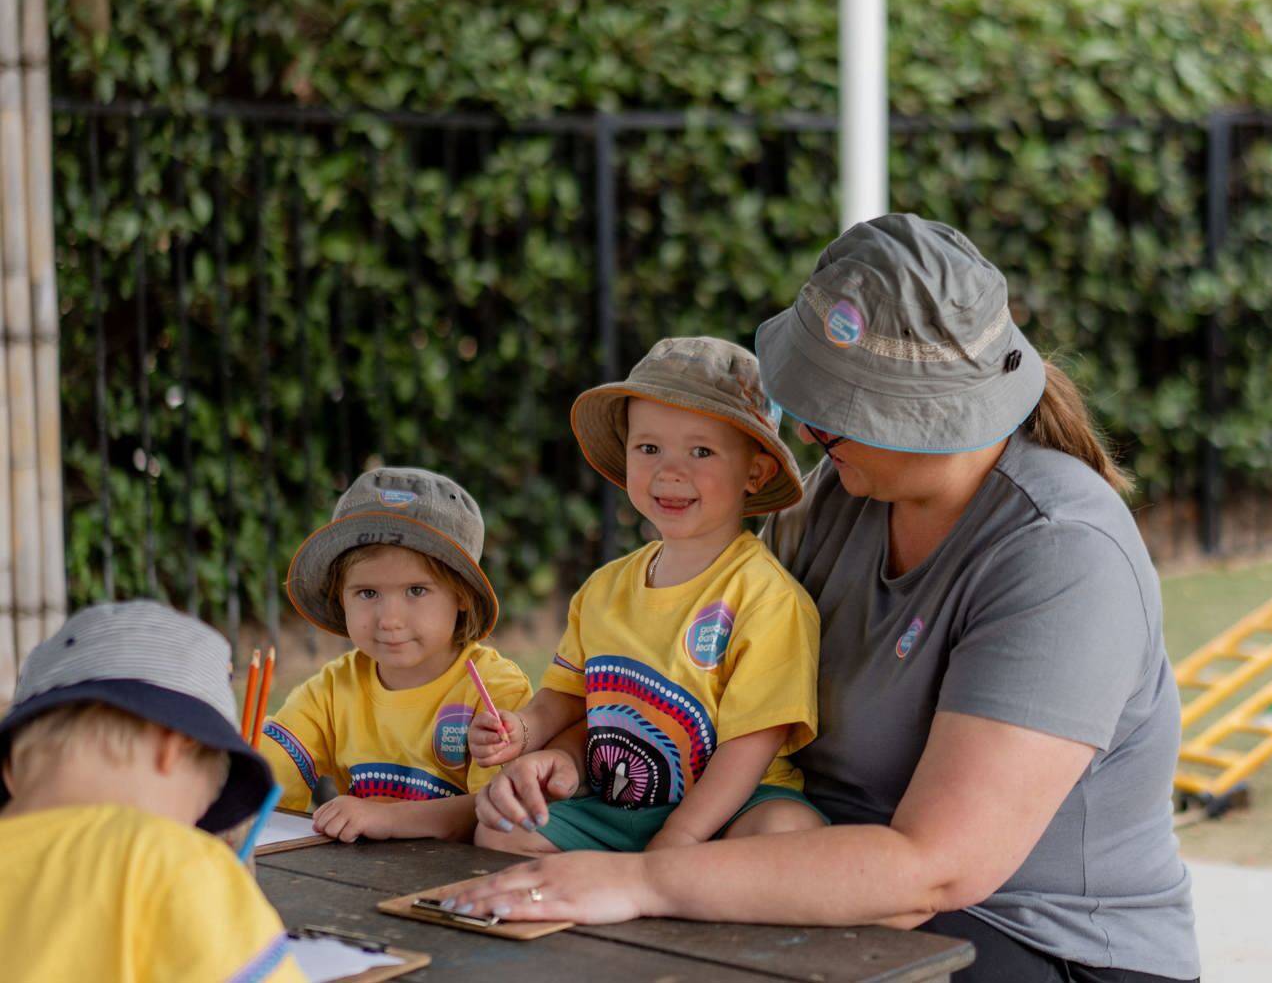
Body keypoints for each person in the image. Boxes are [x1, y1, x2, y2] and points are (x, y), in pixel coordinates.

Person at [449, 214, 1201, 983]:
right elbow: (700, 690)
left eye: (838, 409)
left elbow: (933, 873)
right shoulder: (846, 491)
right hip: (805, 874)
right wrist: (573, 753)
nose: (807, 430)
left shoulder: (1061, 553)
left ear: (926, 413)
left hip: (1029, 944)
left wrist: (642, 882)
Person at [464, 336, 825, 858]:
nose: (669, 471)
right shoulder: (603, 590)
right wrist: (522, 730)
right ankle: (634, 895)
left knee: (788, 831)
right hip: (621, 805)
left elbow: (751, 747)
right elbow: (567, 698)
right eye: (648, 448)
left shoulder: (766, 597)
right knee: (499, 830)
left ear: (755, 472)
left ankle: (654, 884)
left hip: (732, 806)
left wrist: (679, 837)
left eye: (701, 451)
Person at [0, 600, 305, 982]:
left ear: (11, 769)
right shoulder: (175, 864)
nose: (192, 829)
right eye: (198, 812)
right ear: (174, 748)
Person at [263, 466, 533, 841]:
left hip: (456, 884)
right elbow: (272, 769)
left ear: (462, 596)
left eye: (416, 591)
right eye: (367, 593)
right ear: (340, 597)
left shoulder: (495, 690)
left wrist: (386, 818)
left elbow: (496, 811)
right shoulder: (331, 689)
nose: (389, 620)